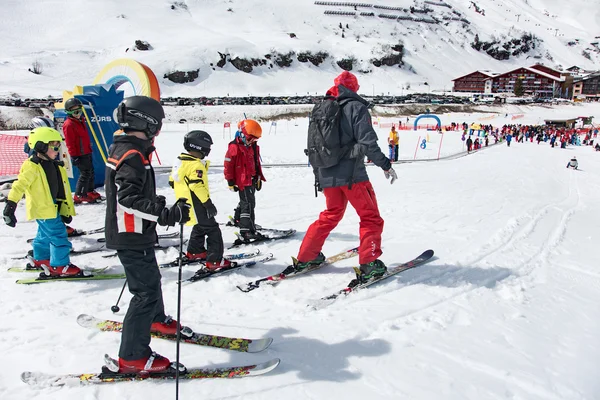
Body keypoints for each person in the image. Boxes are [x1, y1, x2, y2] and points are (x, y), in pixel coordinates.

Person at [104, 95, 191, 374]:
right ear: (148, 123)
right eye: (159, 124)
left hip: (135, 232)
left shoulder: (129, 149)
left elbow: (137, 194)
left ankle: (154, 319)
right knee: (144, 293)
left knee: (151, 283)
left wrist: (161, 205)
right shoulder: (131, 155)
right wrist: (164, 214)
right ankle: (132, 357)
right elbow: (127, 199)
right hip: (131, 234)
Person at [294, 71, 398, 286]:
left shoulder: (321, 108)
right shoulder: (355, 107)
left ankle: (307, 256)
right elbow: (367, 142)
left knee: (330, 214)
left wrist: (318, 175)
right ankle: (369, 265)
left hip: (325, 172)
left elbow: (313, 144)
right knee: (370, 218)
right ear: (354, 88)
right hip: (352, 176)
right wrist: (385, 165)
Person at [2, 127, 80, 276]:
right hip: (43, 209)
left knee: (44, 235)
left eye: (59, 145)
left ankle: (40, 258)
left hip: (52, 207)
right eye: (54, 146)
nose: (58, 150)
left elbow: (60, 189)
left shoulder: (52, 163)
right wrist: (11, 204)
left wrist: (65, 209)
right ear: (41, 146)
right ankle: (60, 266)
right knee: (58, 235)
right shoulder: (32, 166)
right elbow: (19, 186)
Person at [169, 130, 232, 270]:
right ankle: (215, 261)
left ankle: (195, 251)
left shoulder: (179, 161)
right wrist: (208, 204)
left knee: (200, 226)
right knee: (213, 229)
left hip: (186, 204)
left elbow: (172, 181)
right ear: (201, 146)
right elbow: (197, 186)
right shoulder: (195, 165)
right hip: (197, 203)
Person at [224, 119, 266, 242]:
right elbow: (228, 165)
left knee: (246, 201)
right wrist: (230, 181)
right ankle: (246, 231)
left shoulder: (252, 146)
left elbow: (256, 162)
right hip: (242, 181)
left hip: (251, 179)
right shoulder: (234, 147)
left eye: (254, 140)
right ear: (241, 134)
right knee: (248, 205)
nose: (251, 142)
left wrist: (258, 177)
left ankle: (238, 219)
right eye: (249, 139)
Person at [62, 97, 100, 204]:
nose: (78, 113)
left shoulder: (80, 121)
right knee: (85, 174)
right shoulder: (69, 124)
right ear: (69, 112)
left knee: (90, 172)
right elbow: (70, 142)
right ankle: (79, 195)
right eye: (75, 112)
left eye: (79, 111)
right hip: (79, 154)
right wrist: (74, 156)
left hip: (86, 151)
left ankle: (89, 191)